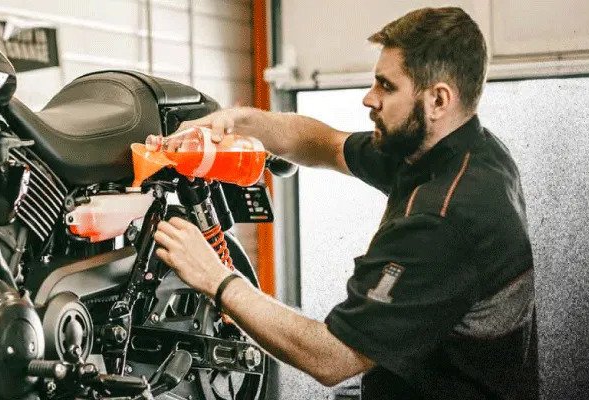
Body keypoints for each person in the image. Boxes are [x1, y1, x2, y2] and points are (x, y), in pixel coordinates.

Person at [152, 7, 537, 399]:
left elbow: (332, 358)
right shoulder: (457, 150)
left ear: (438, 99)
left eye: (387, 87)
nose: (369, 98)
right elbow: (326, 144)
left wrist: (216, 279)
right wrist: (235, 121)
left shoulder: (445, 216)